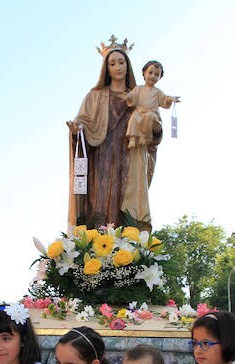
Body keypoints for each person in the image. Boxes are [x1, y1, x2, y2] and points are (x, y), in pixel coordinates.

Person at [68, 35, 160, 230]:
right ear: (106, 69)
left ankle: (127, 245)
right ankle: (98, 239)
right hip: (101, 159)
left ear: (127, 65)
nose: (117, 67)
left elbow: (153, 135)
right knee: (99, 204)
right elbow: (82, 122)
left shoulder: (140, 95)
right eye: (112, 63)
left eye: (121, 62)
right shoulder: (94, 96)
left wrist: (154, 128)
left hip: (129, 156)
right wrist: (77, 131)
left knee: (124, 206)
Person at [125, 60, 179, 148]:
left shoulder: (158, 92)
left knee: (149, 118)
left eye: (157, 75)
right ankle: (132, 138)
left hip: (152, 113)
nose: (153, 76)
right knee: (134, 118)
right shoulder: (138, 89)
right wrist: (128, 97)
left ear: (159, 77)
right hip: (139, 111)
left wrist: (171, 99)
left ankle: (144, 137)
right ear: (144, 73)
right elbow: (132, 96)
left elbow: (164, 99)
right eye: (150, 73)